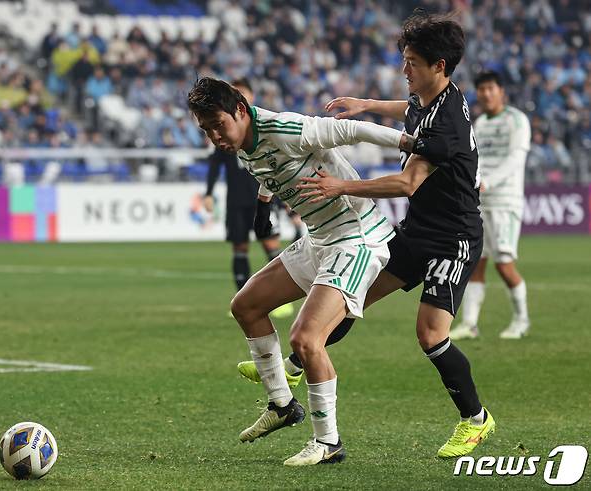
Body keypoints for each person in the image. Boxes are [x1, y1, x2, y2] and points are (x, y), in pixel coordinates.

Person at [240, 11, 496, 459]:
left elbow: (406, 184)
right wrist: (367, 104)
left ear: (439, 65)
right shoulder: (431, 96)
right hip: (417, 230)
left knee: (430, 335)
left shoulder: (448, 122)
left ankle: (476, 420)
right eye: (404, 59)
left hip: (453, 238)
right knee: (349, 299)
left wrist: (341, 186)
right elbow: (409, 109)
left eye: (412, 62)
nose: (404, 70)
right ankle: (297, 365)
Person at [188, 76, 415, 466]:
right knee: (246, 305)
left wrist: (410, 144)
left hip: (355, 238)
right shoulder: (242, 144)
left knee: (306, 338)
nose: (214, 136)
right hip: (319, 239)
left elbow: (349, 129)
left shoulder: (285, 127)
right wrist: (263, 205)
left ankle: (328, 443)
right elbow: (268, 169)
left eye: (218, 124)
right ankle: (281, 405)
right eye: (205, 128)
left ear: (240, 111)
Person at [203, 78, 294, 321]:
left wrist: (286, 195)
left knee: (272, 246)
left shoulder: (264, 126)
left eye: (242, 93)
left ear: (250, 98)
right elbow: (214, 165)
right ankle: (242, 300)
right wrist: (209, 193)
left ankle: (280, 300)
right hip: (236, 201)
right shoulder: (223, 131)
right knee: (239, 248)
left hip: (262, 199)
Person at [450, 71, 531, 340]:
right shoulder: (481, 123)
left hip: (506, 201)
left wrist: (490, 181)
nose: (485, 94)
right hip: (480, 202)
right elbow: (476, 160)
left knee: (504, 264)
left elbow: (515, 158)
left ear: (501, 91)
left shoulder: (517, 120)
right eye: (481, 89)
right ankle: (470, 324)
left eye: (490, 88)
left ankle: (522, 320)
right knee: (476, 263)